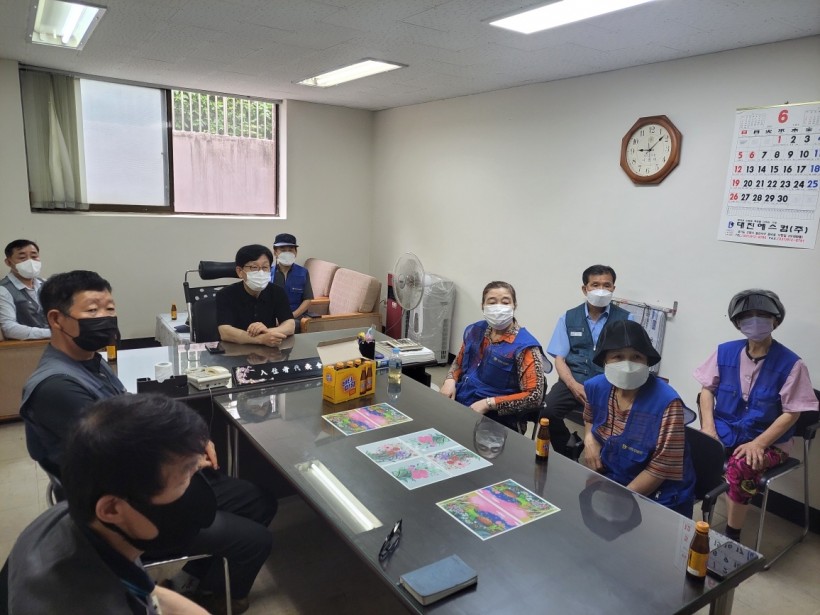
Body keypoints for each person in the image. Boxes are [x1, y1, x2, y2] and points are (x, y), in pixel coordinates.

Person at [19, 270, 276, 614]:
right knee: (256, 541)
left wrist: (192, 440)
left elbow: (133, 417)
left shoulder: (90, 362)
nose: (105, 317)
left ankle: (197, 580)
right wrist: (183, 460)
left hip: (151, 481)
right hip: (128, 505)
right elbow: (120, 460)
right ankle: (213, 599)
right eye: (92, 310)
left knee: (259, 501)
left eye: (110, 308)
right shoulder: (56, 387)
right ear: (56, 319)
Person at [6, 394, 215, 615]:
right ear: (112, 509)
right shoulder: (84, 604)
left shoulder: (72, 519)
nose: (194, 483)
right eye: (185, 476)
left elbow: (148, 593)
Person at [694, 289, 818, 542]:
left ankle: (731, 537)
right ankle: (686, 513)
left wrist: (759, 443)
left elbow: (792, 413)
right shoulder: (724, 352)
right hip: (725, 431)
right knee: (689, 446)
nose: (755, 321)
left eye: (762, 315)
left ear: (776, 321)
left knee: (742, 464)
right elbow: (706, 390)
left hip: (770, 443)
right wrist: (708, 429)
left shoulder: (792, 364)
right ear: (737, 323)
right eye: (747, 316)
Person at [583, 320, 695, 517]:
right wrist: (589, 439)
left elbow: (660, 469)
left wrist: (619, 500)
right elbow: (589, 417)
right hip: (612, 479)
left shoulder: (667, 402)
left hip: (660, 495)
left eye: (636, 357)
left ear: (647, 361)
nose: (627, 365)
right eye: (618, 356)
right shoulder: (596, 386)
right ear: (605, 360)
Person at [539, 265, 633, 456]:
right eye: (595, 285)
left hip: (608, 384)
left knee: (614, 424)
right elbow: (560, 359)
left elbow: (628, 360)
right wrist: (573, 385)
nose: (601, 290)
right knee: (547, 412)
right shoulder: (568, 317)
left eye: (607, 285)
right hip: (572, 379)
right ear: (585, 289)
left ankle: (604, 460)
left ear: (613, 288)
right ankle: (569, 448)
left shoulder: (626, 320)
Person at [440, 281, 547, 431]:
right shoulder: (475, 330)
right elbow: (459, 362)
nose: (498, 307)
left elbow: (534, 396)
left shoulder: (525, 347)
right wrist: (450, 379)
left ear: (514, 306)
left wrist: (488, 404)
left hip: (496, 418)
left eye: (505, 302)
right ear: (483, 306)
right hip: (461, 400)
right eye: (492, 302)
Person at [216, 244, 295, 346]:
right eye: (254, 267)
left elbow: (290, 325)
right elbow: (225, 332)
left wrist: (267, 332)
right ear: (240, 272)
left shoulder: (277, 291)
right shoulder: (225, 294)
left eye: (265, 267)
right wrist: (261, 339)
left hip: (269, 349)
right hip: (235, 350)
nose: (261, 272)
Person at [0, 239, 50, 340]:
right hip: (24, 346)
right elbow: (9, 328)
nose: (30, 261)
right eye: (22, 258)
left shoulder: (46, 284)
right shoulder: (3, 289)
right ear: (8, 262)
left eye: (34, 256)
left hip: (56, 342)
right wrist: (51, 333)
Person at [271, 233, 314, 332]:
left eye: (290, 250)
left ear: (296, 252)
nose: (287, 253)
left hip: (295, 318)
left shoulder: (303, 272)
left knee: (289, 327)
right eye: (283, 250)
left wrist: (290, 316)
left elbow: (308, 300)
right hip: (272, 317)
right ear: (275, 252)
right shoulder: (267, 273)